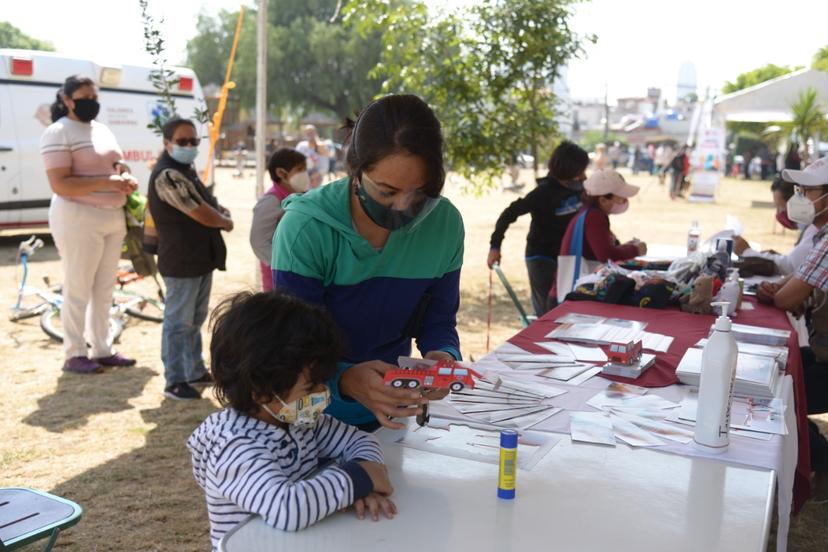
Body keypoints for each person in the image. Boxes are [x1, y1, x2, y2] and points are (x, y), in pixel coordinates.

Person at [272, 94, 464, 430]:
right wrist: (346, 379)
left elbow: (439, 320)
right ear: (355, 171)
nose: (403, 206)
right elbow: (293, 351)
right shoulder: (307, 228)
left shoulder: (444, 225)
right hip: (312, 418)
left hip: (391, 413)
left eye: (420, 192)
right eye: (387, 192)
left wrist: (442, 359)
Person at [188, 291, 394, 551]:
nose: (322, 392)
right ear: (262, 392)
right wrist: (358, 478)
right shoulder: (234, 446)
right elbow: (286, 508)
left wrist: (367, 474)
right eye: (311, 387)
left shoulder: (299, 420)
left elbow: (359, 439)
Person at [39, 75, 139, 374]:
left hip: (112, 216)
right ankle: (74, 352)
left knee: (105, 287)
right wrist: (108, 181)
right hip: (77, 217)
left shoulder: (102, 130)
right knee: (78, 285)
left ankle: (102, 348)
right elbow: (60, 184)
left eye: (95, 97)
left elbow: (116, 164)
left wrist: (124, 176)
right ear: (67, 100)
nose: (91, 103)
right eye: (84, 97)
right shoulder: (58, 132)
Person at [755, 156, 828, 501]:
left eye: (807, 190)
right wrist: (782, 293)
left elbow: (787, 297)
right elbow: (794, 284)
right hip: (822, 349)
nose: (799, 197)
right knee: (782, 369)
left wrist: (776, 296)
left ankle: (821, 460)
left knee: (781, 395)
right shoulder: (821, 234)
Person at [148, 118, 234, 400]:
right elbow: (196, 211)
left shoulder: (184, 170)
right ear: (167, 143)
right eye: (182, 142)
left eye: (193, 141)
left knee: (194, 319)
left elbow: (202, 201)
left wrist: (218, 209)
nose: (189, 146)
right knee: (178, 323)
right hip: (181, 260)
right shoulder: (167, 175)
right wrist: (222, 220)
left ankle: (193, 370)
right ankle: (174, 379)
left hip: (198, 258)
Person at [487, 141, 589, 315]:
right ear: (569, 168)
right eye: (581, 170)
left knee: (566, 309)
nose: (584, 176)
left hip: (566, 257)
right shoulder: (543, 192)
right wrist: (495, 246)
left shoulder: (579, 189)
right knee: (546, 312)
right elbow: (508, 214)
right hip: (541, 258)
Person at [250, 148, 309, 291]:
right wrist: (286, 265)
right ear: (281, 173)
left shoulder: (299, 196)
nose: (305, 174)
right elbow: (258, 242)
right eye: (300, 169)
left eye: (305, 169)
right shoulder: (271, 201)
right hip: (280, 280)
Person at [559, 169, 647, 264]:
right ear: (603, 200)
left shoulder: (588, 213)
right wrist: (635, 250)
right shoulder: (594, 217)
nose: (624, 201)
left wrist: (623, 248)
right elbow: (606, 256)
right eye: (621, 198)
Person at [732, 176, 816, 275]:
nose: (780, 212)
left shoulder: (815, 230)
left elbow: (790, 267)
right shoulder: (809, 228)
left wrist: (747, 252)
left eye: (782, 206)